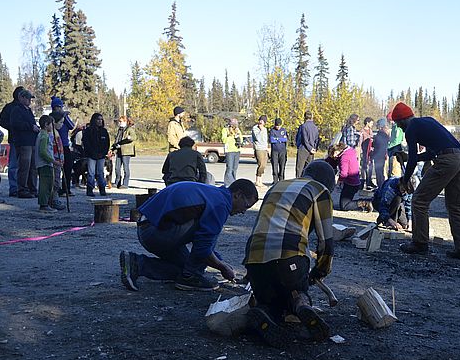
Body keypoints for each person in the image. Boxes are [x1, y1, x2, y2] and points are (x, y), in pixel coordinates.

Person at [243, 160, 335, 347]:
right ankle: (301, 304)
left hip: (254, 260)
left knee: (271, 301)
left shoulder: (276, 186)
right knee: (295, 291)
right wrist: (320, 270)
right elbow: (326, 242)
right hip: (288, 259)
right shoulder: (320, 190)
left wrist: (249, 274)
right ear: (328, 182)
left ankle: (263, 311)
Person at [119, 179, 258, 292]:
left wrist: (220, 262)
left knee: (187, 268)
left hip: (151, 228)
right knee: (196, 261)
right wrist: (222, 267)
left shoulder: (216, 194)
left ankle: (137, 263)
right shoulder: (220, 205)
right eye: (246, 206)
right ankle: (189, 277)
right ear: (238, 194)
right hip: (153, 232)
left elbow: (204, 244)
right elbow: (203, 246)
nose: (243, 212)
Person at [391, 102, 460, 259]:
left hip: (447, 160)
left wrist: (405, 180)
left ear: (402, 120)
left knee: (419, 200)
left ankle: (420, 243)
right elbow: (430, 154)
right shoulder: (428, 121)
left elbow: (413, 160)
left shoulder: (411, 128)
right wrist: (408, 157)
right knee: (456, 206)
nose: (399, 128)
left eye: (398, 124)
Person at [10, 89, 39, 199]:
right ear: (21, 98)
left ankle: (32, 188)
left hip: (32, 141)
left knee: (33, 167)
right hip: (23, 142)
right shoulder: (16, 110)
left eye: (30, 99)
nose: (30, 101)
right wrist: (31, 127)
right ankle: (22, 189)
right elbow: (16, 124)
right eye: (27, 98)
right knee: (24, 166)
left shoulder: (29, 111)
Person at [326, 142, 371, 212]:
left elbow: (343, 174)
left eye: (333, 154)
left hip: (351, 184)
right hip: (355, 182)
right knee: (344, 203)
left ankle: (365, 203)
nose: (333, 156)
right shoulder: (349, 150)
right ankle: (363, 204)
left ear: (336, 151)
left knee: (344, 206)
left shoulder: (344, 158)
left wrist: (338, 182)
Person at [0, 86, 23, 197]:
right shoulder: (9, 107)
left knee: (23, 165)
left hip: (26, 141)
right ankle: (13, 188)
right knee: (13, 165)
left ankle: (22, 187)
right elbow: (1, 121)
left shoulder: (25, 107)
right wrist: (11, 127)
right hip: (14, 139)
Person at [35, 115, 62, 212]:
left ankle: (47, 203)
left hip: (45, 163)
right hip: (45, 164)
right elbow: (43, 152)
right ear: (46, 125)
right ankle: (44, 204)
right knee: (45, 185)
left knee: (47, 183)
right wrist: (54, 161)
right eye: (51, 124)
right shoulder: (44, 136)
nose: (52, 127)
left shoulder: (43, 134)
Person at [51, 96, 75, 197]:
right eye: (59, 107)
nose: (61, 109)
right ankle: (55, 189)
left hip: (65, 145)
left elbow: (72, 126)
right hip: (56, 145)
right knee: (56, 169)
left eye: (61, 107)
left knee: (68, 167)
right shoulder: (53, 117)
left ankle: (66, 188)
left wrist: (65, 117)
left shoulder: (64, 118)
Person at [82, 113, 110, 197]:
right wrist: (91, 153)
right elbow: (86, 143)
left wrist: (103, 153)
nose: (100, 121)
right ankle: (90, 189)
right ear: (94, 120)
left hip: (101, 155)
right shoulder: (88, 131)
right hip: (91, 155)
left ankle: (102, 189)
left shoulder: (104, 131)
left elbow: (107, 144)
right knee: (91, 173)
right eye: (98, 119)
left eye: (101, 119)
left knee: (100, 173)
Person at [112, 116, 136, 189]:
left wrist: (129, 138)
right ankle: (117, 182)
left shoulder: (129, 129)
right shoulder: (120, 130)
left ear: (125, 122)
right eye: (119, 121)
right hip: (119, 151)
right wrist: (113, 148)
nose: (120, 123)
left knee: (125, 168)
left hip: (126, 151)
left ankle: (125, 184)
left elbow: (134, 137)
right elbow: (117, 140)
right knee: (117, 168)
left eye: (121, 121)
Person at [49, 111, 66, 210]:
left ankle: (54, 199)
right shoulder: (51, 134)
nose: (62, 125)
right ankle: (53, 200)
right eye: (60, 122)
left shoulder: (57, 132)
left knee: (57, 180)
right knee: (54, 182)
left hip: (59, 160)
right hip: (54, 160)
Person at [295, 111, 319, 177]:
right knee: (309, 169)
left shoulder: (303, 126)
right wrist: (314, 148)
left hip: (304, 149)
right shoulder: (315, 127)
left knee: (299, 169)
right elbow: (317, 139)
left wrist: (309, 148)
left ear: (304, 117)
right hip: (312, 150)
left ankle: (298, 182)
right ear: (311, 117)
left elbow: (304, 139)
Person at [222, 118, 242, 186]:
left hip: (237, 150)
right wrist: (232, 136)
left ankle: (233, 181)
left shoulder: (237, 130)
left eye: (235, 124)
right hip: (229, 151)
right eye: (233, 124)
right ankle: (228, 183)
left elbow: (241, 139)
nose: (234, 126)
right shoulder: (225, 130)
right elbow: (224, 140)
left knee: (234, 168)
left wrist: (238, 138)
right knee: (229, 168)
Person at [251, 114, 269, 187]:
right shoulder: (255, 128)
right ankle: (257, 180)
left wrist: (267, 148)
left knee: (264, 165)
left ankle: (260, 180)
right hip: (258, 148)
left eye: (263, 121)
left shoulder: (265, 129)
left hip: (264, 149)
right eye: (260, 120)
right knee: (261, 164)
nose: (261, 122)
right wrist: (261, 130)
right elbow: (258, 138)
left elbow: (265, 139)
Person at [372, 118, 390, 188]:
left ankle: (380, 186)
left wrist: (373, 142)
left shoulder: (380, 134)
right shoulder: (385, 135)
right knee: (381, 171)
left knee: (379, 172)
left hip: (378, 155)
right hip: (381, 155)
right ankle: (381, 186)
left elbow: (377, 144)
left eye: (378, 125)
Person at [358, 117, 375, 189]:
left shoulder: (371, 131)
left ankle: (369, 181)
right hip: (364, 152)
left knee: (370, 167)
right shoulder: (362, 132)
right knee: (364, 167)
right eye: (371, 123)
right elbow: (360, 143)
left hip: (370, 153)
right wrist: (359, 153)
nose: (372, 124)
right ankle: (362, 182)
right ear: (367, 123)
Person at [269, 117, 288, 183]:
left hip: (282, 151)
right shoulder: (272, 130)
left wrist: (277, 139)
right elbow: (272, 140)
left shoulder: (283, 130)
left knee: (282, 166)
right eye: (277, 125)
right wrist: (280, 139)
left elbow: (285, 139)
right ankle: (275, 180)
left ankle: (281, 180)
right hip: (274, 151)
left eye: (279, 125)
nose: (278, 127)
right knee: (274, 166)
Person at [387, 111, 405, 177]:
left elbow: (396, 140)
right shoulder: (394, 127)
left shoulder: (397, 127)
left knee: (395, 171)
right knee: (392, 170)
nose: (389, 122)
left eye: (389, 120)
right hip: (393, 151)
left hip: (395, 151)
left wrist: (388, 147)